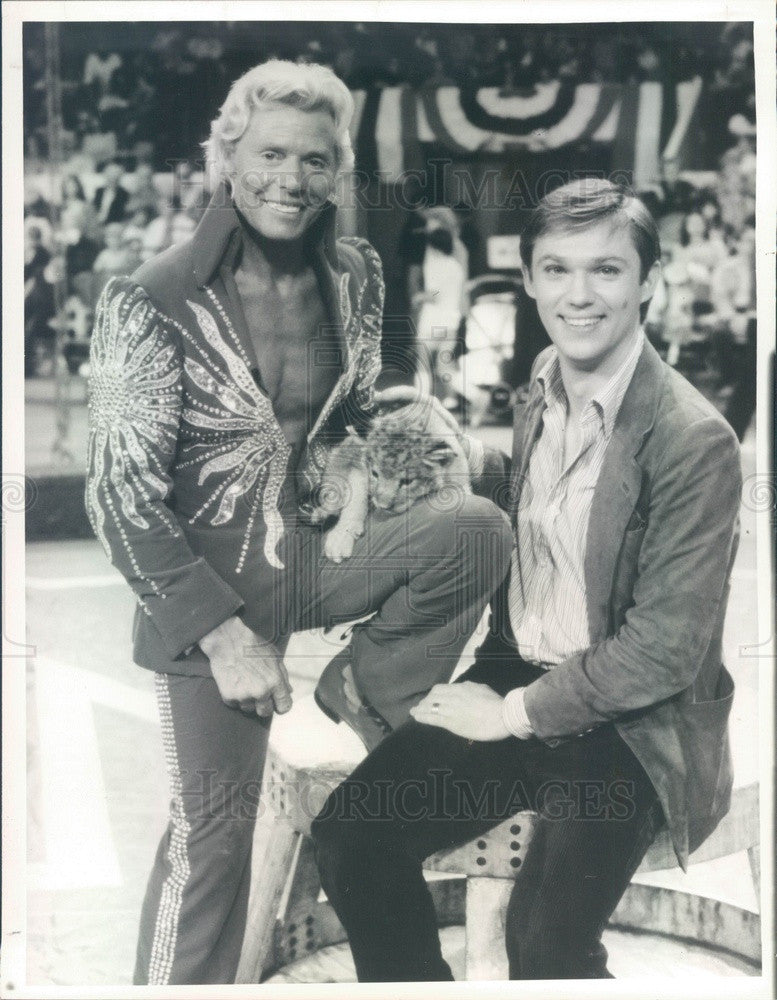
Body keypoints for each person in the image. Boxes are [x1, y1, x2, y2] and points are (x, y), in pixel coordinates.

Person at [85, 59, 512, 986]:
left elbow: (352, 414)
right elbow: (117, 494)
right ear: (226, 158)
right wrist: (224, 636)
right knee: (214, 840)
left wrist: (401, 439)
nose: (292, 179)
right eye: (270, 154)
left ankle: (363, 690)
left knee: (476, 528)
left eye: (315, 160)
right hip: (208, 598)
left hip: (315, 555)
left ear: (337, 171)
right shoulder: (149, 298)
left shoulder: (354, 275)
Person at [311, 179, 742, 982]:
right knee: (350, 841)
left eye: (606, 271)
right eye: (558, 270)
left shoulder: (694, 440)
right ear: (529, 277)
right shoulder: (544, 376)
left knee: (544, 943)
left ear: (648, 280)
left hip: (631, 724)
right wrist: (451, 460)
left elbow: (661, 651)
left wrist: (505, 716)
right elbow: (554, 510)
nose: (579, 296)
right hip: (516, 670)